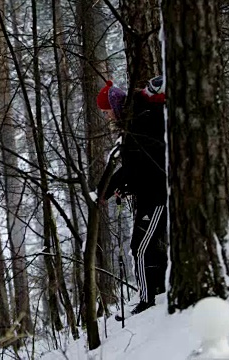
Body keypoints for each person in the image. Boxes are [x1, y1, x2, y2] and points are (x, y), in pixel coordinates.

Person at [96, 77, 168, 316]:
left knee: (141, 248)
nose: (107, 117)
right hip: (149, 194)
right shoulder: (134, 123)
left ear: (115, 106)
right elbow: (139, 169)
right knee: (145, 246)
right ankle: (158, 291)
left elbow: (137, 167)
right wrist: (125, 188)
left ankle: (147, 302)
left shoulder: (139, 124)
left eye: (107, 112)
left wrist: (105, 189)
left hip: (158, 196)